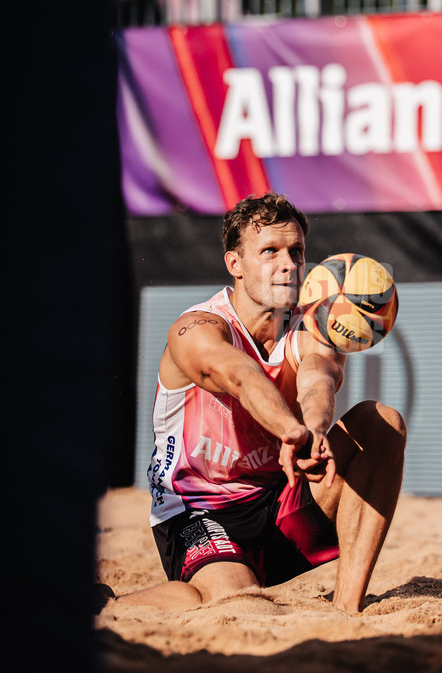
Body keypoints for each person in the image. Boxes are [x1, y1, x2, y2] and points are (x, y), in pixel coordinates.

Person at [114, 192, 406, 616]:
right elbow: (241, 377)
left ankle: (347, 611)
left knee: (382, 422)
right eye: (269, 251)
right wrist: (290, 431)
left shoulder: (315, 327)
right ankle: (104, 605)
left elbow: (318, 379)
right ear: (235, 264)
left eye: (296, 251)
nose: (288, 263)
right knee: (242, 607)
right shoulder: (197, 329)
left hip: (280, 509)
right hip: (200, 512)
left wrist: (314, 430)